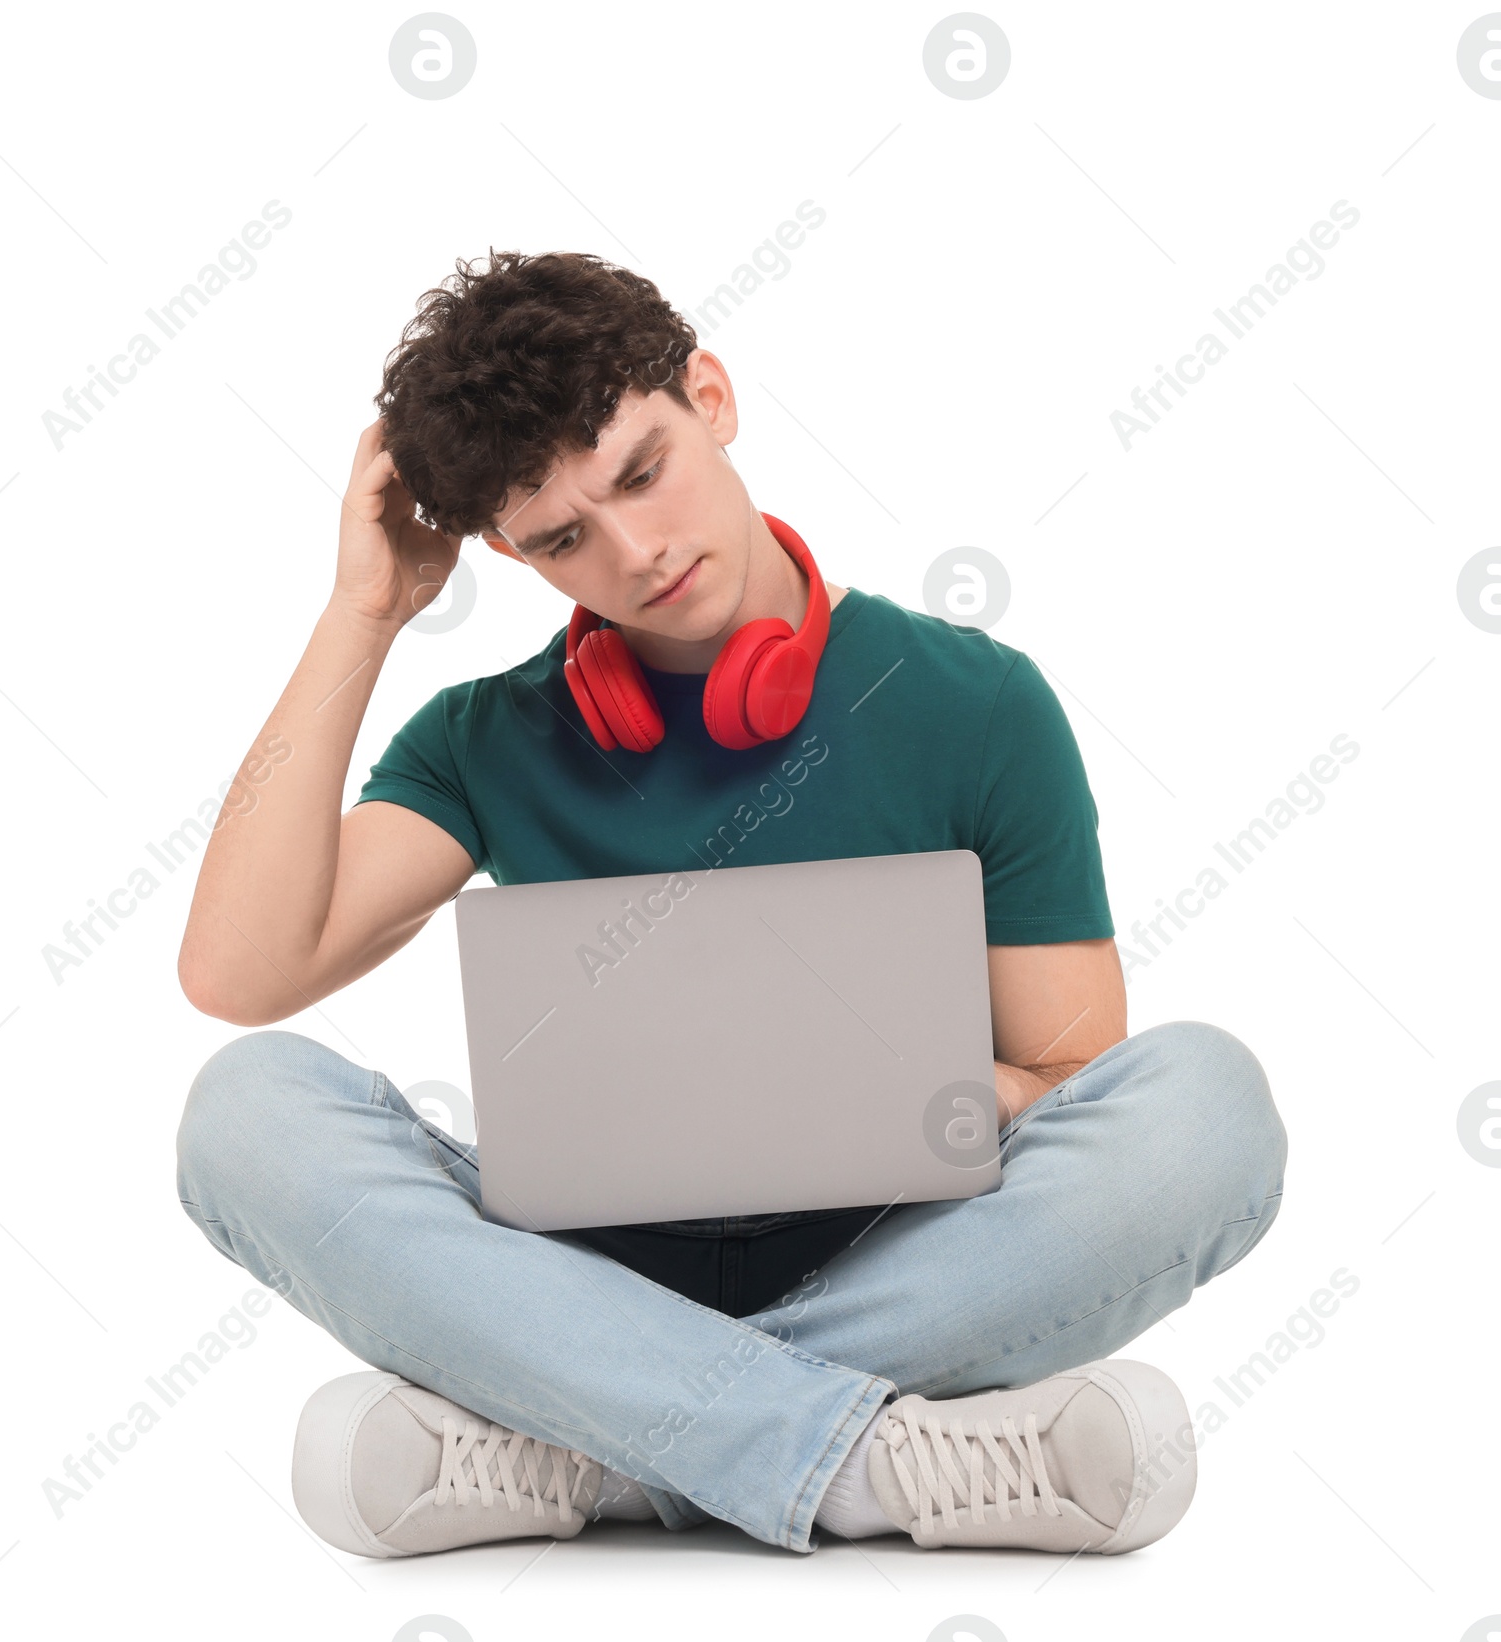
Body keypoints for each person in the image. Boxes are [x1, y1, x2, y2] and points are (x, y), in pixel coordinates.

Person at [174, 249, 1287, 1559]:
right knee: (242, 1118)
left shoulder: (974, 703)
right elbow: (239, 971)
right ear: (507, 554)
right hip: (580, 1270)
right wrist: (367, 609)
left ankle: (593, 1453)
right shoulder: (485, 741)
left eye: (642, 472)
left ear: (710, 395)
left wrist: (912, 1088)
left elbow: (1075, 1077)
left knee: (1203, 1111)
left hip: (900, 1253)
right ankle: (863, 1458)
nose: (636, 551)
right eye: (560, 539)